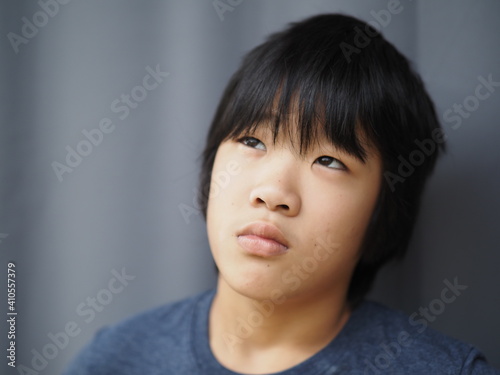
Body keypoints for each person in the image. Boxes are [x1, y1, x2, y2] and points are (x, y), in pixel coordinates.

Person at [64, 13, 499, 374]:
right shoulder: (116, 359)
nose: (273, 193)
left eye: (330, 161)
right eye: (252, 142)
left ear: (383, 212)